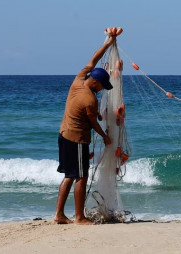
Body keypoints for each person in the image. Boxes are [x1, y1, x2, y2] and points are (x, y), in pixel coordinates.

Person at [54, 34, 116, 225]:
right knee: (81, 176)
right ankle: (79, 217)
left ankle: (59, 214)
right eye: (102, 87)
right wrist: (105, 137)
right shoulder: (90, 99)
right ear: (96, 83)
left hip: (64, 135)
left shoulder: (79, 79)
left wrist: (107, 43)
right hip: (77, 139)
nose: (102, 90)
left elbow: (93, 60)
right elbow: (93, 124)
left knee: (69, 175)